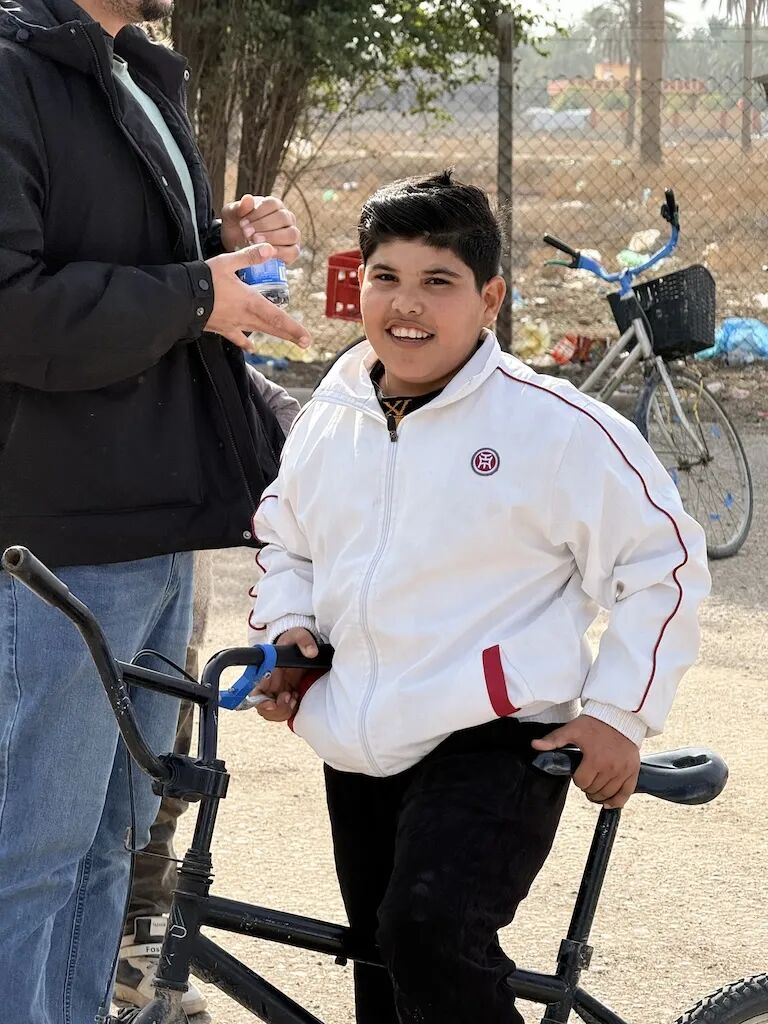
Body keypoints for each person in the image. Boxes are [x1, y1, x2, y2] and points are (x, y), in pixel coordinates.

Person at [247, 171, 711, 1024]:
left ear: (489, 298)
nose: (406, 304)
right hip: (359, 742)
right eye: (386, 277)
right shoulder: (331, 416)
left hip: (495, 738)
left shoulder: (554, 428)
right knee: (385, 971)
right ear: (358, 283)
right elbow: (288, 541)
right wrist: (291, 631)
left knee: (428, 934)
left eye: (439, 281)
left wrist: (619, 713)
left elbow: (665, 562)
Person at [0, 0, 309, 1020]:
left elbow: (125, 263)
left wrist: (215, 247)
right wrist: (194, 293)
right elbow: (13, 310)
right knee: (29, 858)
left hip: (156, 532)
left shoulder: (131, 68)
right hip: (58, 547)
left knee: (109, 849)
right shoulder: (12, 71)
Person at [116, 370, 300, 1017]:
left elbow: (283, 421)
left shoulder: (188, 340)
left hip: (167, 618)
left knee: (158, 785)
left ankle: (138, 936)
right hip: (46, 601)